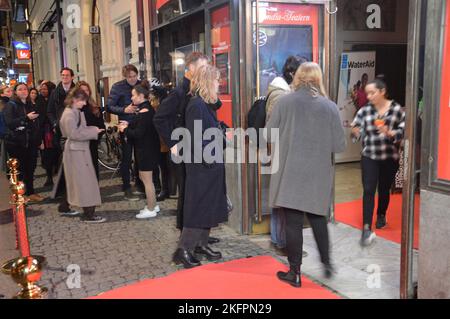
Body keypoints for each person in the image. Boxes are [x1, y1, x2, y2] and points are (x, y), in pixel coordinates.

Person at [266, 62, 346, 288]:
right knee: (318, 219)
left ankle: (295, 273)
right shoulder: (329, 106)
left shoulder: (284, 102)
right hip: (317, 175)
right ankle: (327, 263)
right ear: (318, 79)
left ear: (297, 77)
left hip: (290, 171)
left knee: (292, 222)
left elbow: (268, 135)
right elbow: (339, 145)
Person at [172, 65, 228, 269]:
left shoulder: (205, 103)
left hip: (209, 165)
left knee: (208, 207)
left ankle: (201, 244)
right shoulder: (196, 105)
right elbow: (196, 138)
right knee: (198, 208)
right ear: (207, 82)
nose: (219, 83)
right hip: (202, 166)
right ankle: (183, 250)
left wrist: (219, 130)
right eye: (216, 80)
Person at [153, 52, 211, 231]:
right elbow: (159, 118)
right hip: (182, 150)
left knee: (197, 193)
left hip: (194, 149)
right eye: (202, 67)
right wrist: (173, 144)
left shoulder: (197, 90)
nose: (205, 71)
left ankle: (199, 234)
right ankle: (186, 237)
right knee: (186, 193)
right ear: (191, 68)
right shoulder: (179, 92)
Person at [351, 75, 405, 247]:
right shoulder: (365, 110)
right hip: (369, 156)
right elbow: (355, 126)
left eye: (372, 93)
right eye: (367, 94)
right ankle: (367, 226)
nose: (369, 97)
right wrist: (356, 131)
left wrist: (389, 132)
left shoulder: (396, 110)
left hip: (389, 157)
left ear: (382, 92)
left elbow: (403, 132)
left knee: (383, 189)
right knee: (368, 189)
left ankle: (381, 214)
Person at [264, 55, 307, 257]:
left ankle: (279, 239)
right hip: (284, 152)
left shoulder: (284, 93)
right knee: (284, 199)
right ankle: (282, 241)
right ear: (292, 73)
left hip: (284, 151)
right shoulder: (281, 95)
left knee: (282, 198)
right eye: (302, 73)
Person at [59, 87, 106, 223]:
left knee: (85, 183)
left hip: (79, 151)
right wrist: (93, 132)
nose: (85, 104)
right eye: (82, 101)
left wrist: (94, 130)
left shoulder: (75, 112)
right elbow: (74, 134)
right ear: (74, 100)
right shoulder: (69, 115)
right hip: (76, 152)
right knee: (85, 183)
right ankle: (88, 214)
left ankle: (84, 211)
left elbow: (80, 130)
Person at [118, 81, 161, 219]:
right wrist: (128, 124)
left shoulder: (145, 111)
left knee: (147, 180)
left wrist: (125, 130)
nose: (131, 98)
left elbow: (138, 134)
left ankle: (151, 208)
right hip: (146, 150)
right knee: (145, 178)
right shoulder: (145, 109)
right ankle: (152, 203)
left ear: (141, 96)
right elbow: (139, 127)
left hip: (146, 151)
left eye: (133, 95)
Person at [107, 64, 143, 201]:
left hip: (141, 125)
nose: (133, 79)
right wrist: (124, 110)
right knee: (127, 158)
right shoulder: (117, 87)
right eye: (130, 77)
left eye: (135, 76)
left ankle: (140, 184)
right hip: (125, 126)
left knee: (141, 157)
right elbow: (109, 106)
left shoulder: (142, 84)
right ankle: (127, 186)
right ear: (124, 76)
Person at [3, 83, 44, 202]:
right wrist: (26, 118)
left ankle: (31, 193)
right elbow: (10, 122)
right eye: (20, 89)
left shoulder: (30, 104)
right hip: (16, 143)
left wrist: (39, 140)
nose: (23, 91)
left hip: (30, 142)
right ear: (15, 92)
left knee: (30, 168)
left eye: (25, 89)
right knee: (19, 171)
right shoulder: (11, 105)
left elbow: (36, 124)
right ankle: (20, 194)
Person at [48, 68, 79, 216]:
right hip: (62, 133)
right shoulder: (55, 92)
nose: (64, 77)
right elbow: (49, 111)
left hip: (75, 130)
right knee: (66, 164)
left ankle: (66, 198)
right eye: (62, 75)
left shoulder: (77, 90)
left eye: (67, 75)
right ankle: (65, 198)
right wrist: (55, 123)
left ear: (72, 77)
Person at [76, 81, 106, 179]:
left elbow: (101, 127)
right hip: (78, 145)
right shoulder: (74, 109)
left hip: (92, 144)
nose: (85, 92)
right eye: (82, 90)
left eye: (87, 90)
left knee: (93, 171)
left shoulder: (95, 108)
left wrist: (95, 137)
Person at [149, 85, 172, 202]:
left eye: (153, 99)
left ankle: (166, 190)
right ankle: (165, 189)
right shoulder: (156, 108)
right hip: (160, 143)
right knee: (163, 168)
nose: (151, 102)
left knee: (166, 168)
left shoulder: (162, 108)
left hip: (165, 143)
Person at [36, 81, 58, 186]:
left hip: (53, 130)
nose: (43, 90)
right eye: (41, 89)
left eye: (45, 89)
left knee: (56, 153)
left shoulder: (53, 100)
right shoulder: (39, 100)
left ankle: (56, 173)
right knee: (46, 155)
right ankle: (49, 177)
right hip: (44, 132)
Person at [0, 85, 14, 172]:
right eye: (7, 91)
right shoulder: (2, 105)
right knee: (8, 159)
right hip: (6, 135)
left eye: (11, 91)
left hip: (13, 135)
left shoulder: (13, 102)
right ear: (2, 94)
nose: (10, 93)